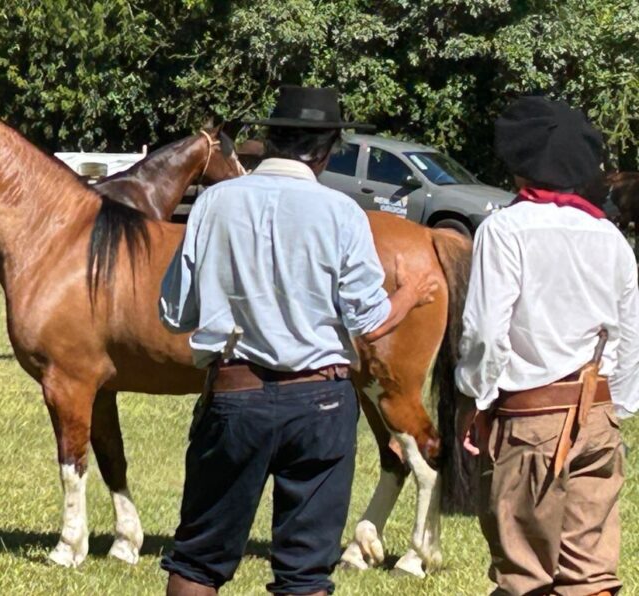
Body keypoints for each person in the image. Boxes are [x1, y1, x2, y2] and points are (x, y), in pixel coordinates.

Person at [158, 86, 440, 596]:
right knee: (306, 573)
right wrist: (410, 294)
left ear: (268, 140)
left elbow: (176, 313)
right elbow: (371, 322)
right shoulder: (343, 213)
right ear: (329, 148)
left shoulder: (213, 204)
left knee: (198, 560)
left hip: (234, 393)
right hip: (322, 399)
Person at [457, 96, 639, 596]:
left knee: (524, 575)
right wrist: (611, 409)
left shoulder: (505, 230)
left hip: (530, 420)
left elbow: (485, 334)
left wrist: (477, 399)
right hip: (597, 417)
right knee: (591, 577)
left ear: (517, 164)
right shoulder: (612, 240)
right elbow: (627, 340)